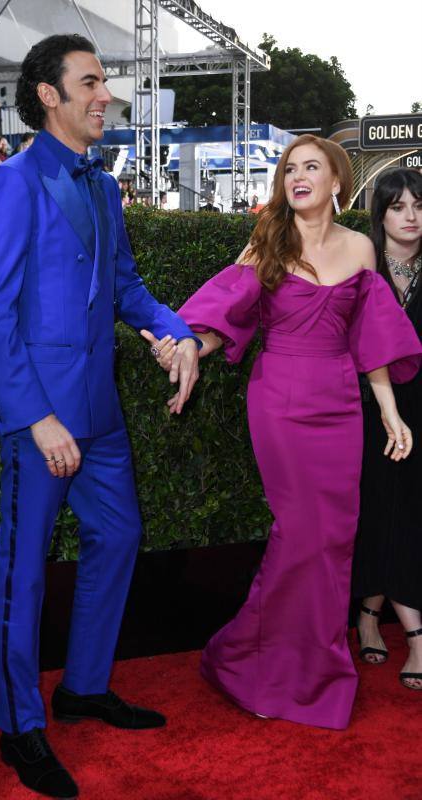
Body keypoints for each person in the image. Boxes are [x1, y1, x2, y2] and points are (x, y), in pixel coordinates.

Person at [0, 33, 200, 799]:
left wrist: (177, 332)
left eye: (106, 82)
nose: (107, 94)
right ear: (49, 95)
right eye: (92, 81)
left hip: (98, 415)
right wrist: (33, 417)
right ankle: (21, 728)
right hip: (42, 423)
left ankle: (84, 687)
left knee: (121, 534)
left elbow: (128, 288)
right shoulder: (11, 183)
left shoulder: (103, 188)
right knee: (23, 571)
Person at [146, 134, 421, 730]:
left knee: (333, 540)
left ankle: (314, 670)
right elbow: (227, 312)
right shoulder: (267, 242)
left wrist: (390, 411)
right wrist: (191, 344)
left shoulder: (361, 250)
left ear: (337, 183)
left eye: (311, 167)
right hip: (279, 401)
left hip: (341, 406)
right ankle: (258, 665)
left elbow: (369, 341)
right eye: (290, 169)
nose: (297, 177)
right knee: (298, 534)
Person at [352, 168, 422, 690]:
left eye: (419, 206)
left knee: (412, 509)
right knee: (374, 505)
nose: (411, 217)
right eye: (399, 207)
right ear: (381, 214)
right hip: (364, 406)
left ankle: (381, 615)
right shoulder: (363, 265)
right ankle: (373, 616)